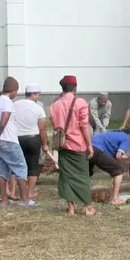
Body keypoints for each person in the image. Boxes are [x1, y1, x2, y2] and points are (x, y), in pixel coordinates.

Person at [50, 75, 95, 216]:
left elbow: (54, 125)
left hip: (62, 146)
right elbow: (84, 126)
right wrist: (89, 145)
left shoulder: (54, 105)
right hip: (78, 145)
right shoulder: (80, 103)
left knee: (66, 177)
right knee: (82, 177)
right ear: (75, 88)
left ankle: (71, 208)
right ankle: (88, 207)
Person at [0, 77, 35, 207]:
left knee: (3, 169)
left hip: (0, 142)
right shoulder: (7, 102)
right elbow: (4, 120)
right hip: (9, 140)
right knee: (21, 167)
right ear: (13, 90)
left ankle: (4, 201)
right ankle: (25, 200)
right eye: (16, 91)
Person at [14, 84, 48, 198]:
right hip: (33, 138)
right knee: (33, 166)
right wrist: (44, 144)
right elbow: (42, 128)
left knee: (17, 165)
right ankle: (29, 192)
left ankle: (13, 191)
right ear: (33, 94)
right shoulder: (38, 108)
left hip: (17, 138)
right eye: (37, 94)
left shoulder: (15, 105)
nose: (38, 97)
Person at [88, 130, 130, 205]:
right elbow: (118, 156)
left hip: (87, 147)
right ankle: (115, 199)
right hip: (96, 149)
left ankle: (77, 198)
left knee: (86, 174)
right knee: (119, 170)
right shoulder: (126, 138)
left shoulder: (114, 135)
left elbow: (112, 159)